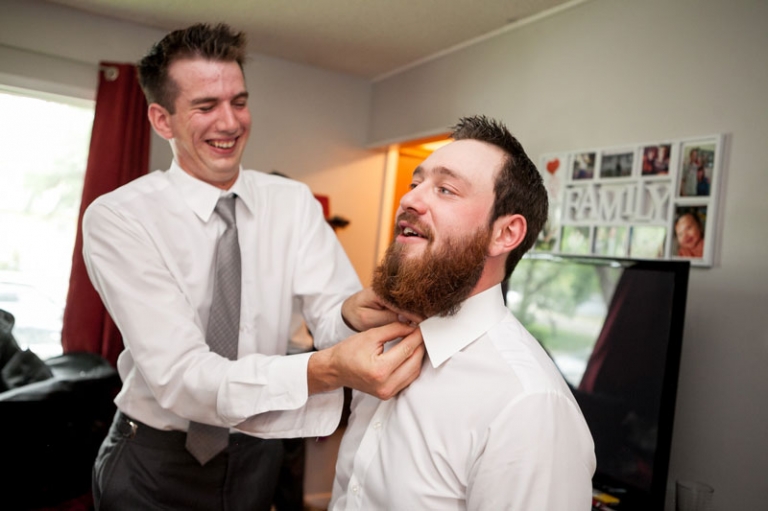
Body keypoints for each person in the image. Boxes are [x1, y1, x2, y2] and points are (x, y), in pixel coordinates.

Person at [83, 23, 424, 511]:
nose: (230, 122)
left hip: (259, 451)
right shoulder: (120, 217)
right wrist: (324, 369)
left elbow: (331, 313)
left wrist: (351, 314)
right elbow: (182, 376)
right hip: (154, 461)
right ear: (162, 119)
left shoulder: (293, 202)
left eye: (239, 102)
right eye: (206, 106)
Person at [330, 115, 596, 510]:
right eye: (415, 184)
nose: (409, 200)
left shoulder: (529, 407)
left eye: (446, 189)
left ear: (505, 233)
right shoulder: (382, 342)